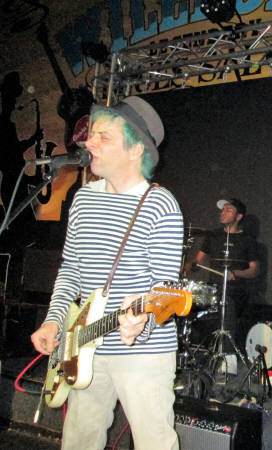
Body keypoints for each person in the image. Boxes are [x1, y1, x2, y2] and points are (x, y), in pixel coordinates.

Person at [30, 96, 183, 450]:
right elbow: (71, 269)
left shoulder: (160, 205)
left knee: (155, 444)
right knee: (79, 441)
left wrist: (141, 323)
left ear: (135, 150)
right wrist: (54, 321)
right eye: (91, 135)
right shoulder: (83, 199)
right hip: (85, 344)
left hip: (143, 353)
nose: (88, 143)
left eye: (104, 137)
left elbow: (164, 290)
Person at [184, 198, 259, 354]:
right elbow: (199, 261)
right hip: (213, 288)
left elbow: (254, 270)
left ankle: (227, 355)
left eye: (228, 209)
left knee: (227, 302)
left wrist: (235, 273)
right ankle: (193, 351)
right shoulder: (213, 236)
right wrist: (187, 267)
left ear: (239, 216)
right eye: (223, 209)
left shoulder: (247, 240)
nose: (223, 212)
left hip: (236, 291)